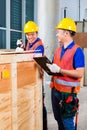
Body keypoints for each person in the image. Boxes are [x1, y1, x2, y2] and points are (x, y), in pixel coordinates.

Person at [47, 18, 85, 130]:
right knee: (58, 119)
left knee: (67, 122)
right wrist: (47, 68)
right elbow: (55, 67)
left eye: (58, 32)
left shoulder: (77, 51)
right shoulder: (58, 50)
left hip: (68, 94)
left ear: (66, 33)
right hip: (55, 90)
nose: (56, 35)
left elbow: (79, 73)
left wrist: (60, 70)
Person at [24, 20, 48, 130]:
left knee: (40, 105)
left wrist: (22, 53)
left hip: (37, 79)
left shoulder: (39, 46)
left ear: (37, 33)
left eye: (32, 34)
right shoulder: (29, 43)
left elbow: (33, 58)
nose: (30, 37)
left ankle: (44, 127)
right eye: (28, 35)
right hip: (29, 79)